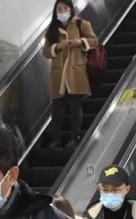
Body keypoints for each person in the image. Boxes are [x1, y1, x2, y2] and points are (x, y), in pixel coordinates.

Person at [42, 0, 99, 148]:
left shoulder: (81, 24)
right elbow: (46, 52)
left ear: (70, 9)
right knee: (57, 109)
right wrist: (57, 46)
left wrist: (80, 42)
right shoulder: (52, 29)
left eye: (65, 8)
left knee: (74, 106)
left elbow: (94, 41)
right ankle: (55, 139)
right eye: (59, 9)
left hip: (75, 72)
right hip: (58, 75)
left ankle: (75, 138)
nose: (62, 11)